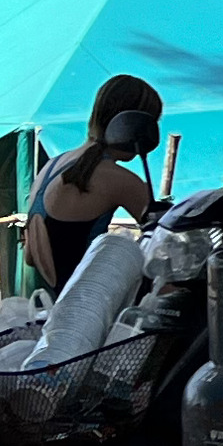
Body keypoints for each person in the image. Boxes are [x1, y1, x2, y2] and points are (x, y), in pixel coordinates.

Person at [25, 73, 163, 290]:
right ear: (136, 125)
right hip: (94, 309)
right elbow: (171, 247)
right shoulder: (116, 179)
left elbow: (30, 258)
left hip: (58, 309)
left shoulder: (52, 167)